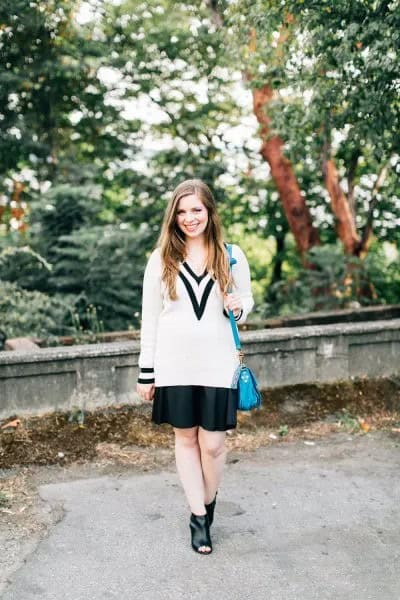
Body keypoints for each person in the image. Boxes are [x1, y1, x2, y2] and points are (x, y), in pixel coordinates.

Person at [136, 179, 254, 555]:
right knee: (185, 439)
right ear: (174, 216)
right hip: (174, 365)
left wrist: (239, 305)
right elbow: (151, 319)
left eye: (196, 210)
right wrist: (146, 371)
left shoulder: (231, 255)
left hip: (218, 365)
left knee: (214, 446)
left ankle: (208, 501)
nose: (189, 218)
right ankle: (198, 517)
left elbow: (246, 301)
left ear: (209, 212)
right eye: (182, 211)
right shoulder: (161, 258)